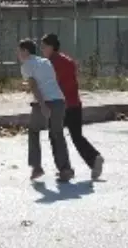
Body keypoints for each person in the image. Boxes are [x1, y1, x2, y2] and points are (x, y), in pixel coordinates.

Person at [41, 33, 105, 181]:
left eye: (44, 46)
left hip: (60, 106)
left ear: (51, 47)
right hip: (74, 103)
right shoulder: (67, 61)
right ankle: (94, 158)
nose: (42, 49)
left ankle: (65, 169)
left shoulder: (51, 63)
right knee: (76, 136)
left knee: (55, 135)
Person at [18, 38, 73, 182]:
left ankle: (36, 167)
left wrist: (42, 106)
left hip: (46, 102)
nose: (18, 54)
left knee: (34, 131)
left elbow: (34, 86)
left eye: (19, 51)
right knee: (57, 134)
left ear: (25, 51)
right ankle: (65, 169)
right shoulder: (45, 61)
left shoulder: (27, 65)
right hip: (59, 101)